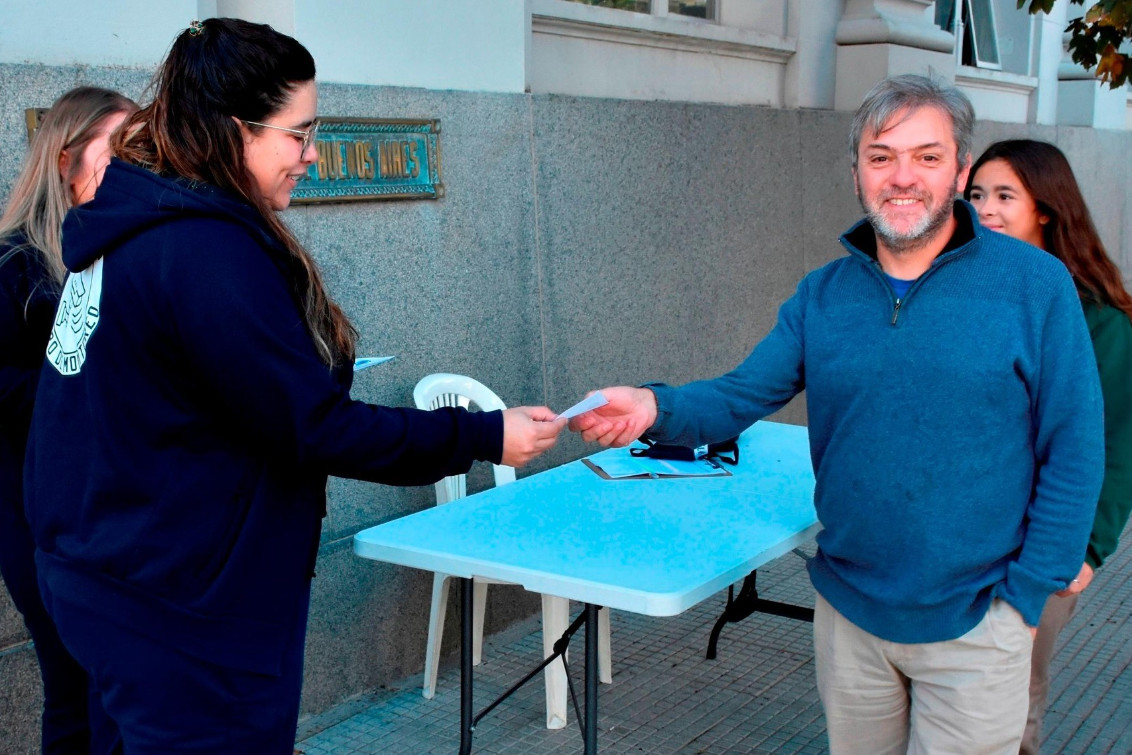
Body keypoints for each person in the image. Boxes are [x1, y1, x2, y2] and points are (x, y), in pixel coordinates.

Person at [23, 18, 564, 755]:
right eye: (297, 133)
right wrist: (483, 434)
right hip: (184, 623)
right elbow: (318, 425)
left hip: (117, 593)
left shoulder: (130, 232)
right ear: (232, 130)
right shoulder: (199, 251)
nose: (312, 155)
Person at [569, 75, 1104, 754]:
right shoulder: (823, 295)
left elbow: (1076, 448)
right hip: (851, 615)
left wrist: (1025, 599)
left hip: (980, 619)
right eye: (882, 156)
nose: (902, 177)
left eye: (928, 156)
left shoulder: (1033, 286)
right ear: (856, 173)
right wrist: (652, 406)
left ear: (960, 170)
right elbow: (739, 395)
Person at [965, 139, 1132, 755]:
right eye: (977, 194)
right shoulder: (970, 298)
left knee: (1011, 705)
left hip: (1044, 550)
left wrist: (1088, 551)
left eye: (1005, 196)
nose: (986, 209)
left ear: (1046, 210)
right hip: (963, 543)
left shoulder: (1101, 323)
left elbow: (1120, 445)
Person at [0, 85, 136, 754]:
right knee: (74, 688)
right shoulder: (13, 263)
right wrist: (78, 382)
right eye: (119, 152)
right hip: (34, 515)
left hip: (106, 514)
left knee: (110, 690)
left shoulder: (120, 248)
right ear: (65, 158)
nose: (133, 168)